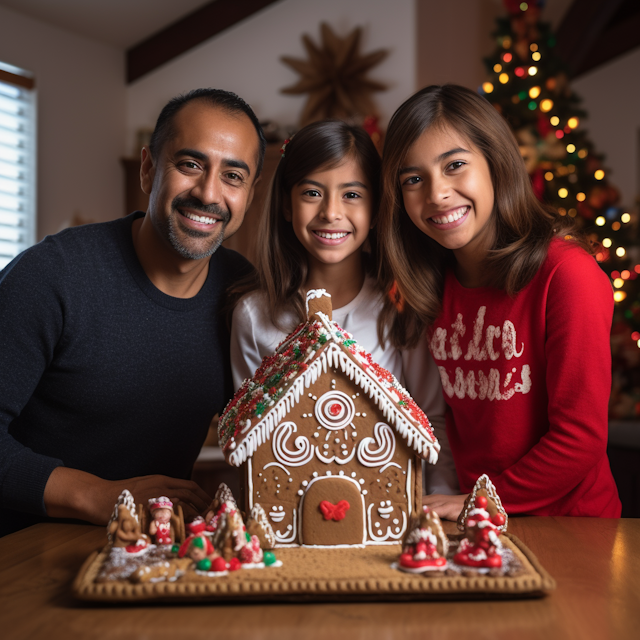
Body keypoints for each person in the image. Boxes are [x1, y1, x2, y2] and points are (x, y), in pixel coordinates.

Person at [0, 88, 266, 536]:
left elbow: (267, 421)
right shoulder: (51, 275)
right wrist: (100, 495)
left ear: (250, 193)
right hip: (22, 549)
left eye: (233, 176)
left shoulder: (243, 294)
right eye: (190, 165)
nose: (208, 193)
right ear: (148, 168)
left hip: (155, 550)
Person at [377, 84, 621, 519]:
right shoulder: (433, 285)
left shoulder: (567, 275)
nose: (436, 194)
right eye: (413, 179)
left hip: (572, 528)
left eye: (454, 165)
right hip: (481, 523)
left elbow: (579, 438)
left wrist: (479, 501)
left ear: (496, 163)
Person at [228, 120, 453, 494]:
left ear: (377, 209)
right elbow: (250, 435)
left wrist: (438, 503)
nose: (331, 212)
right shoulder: (253, 316)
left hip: (389, 506)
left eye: (352, 195)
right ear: (286, 204)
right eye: (312, 193)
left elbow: (431, 420)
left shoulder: (399, 305)